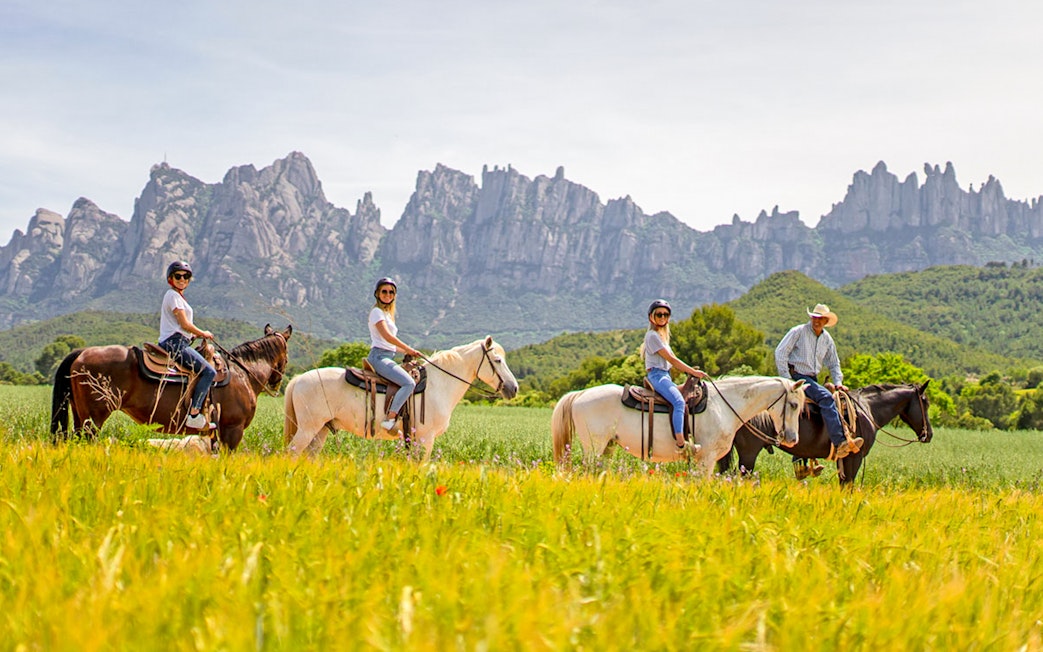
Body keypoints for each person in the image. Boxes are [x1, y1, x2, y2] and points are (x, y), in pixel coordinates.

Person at [775, 303, 864, 460]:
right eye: (815, 317)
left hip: (812, 379)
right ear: (811, 317)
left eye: (820, 318)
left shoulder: (827, 339)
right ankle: (840, 442)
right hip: (797, 377)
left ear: (825, 321)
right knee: (826, 398)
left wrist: (838, 382)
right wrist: (787, 380)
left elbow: (834, 363)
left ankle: (802, 459)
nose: (817, 321)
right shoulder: (798, 332)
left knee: (818, 407)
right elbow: (780, 353)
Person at [642, 300, 709, 454]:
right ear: (651, 317)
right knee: (678, 402)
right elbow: (672, 360)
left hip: (665, 375)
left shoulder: (662, 338)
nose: (662, 317)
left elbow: (673, 360)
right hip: (657, 376)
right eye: (659, 314)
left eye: (666, 314)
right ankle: (681, 443)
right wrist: (693, 372)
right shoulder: (652, 336)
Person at [158, 261, 216, 430]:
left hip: (180, 341)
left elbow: (184, 327)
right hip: (175, 344)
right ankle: (194, 414)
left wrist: (196, 334)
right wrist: (203, 333)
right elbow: (183, 324)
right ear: (170, 278)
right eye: (178, 276)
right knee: (208, 371)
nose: (182, 279)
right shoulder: (172, 296)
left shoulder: (178, 297)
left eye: (186, 276)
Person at [367, 277, 422, 431]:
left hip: (387, 355)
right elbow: (388, 337)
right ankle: (390, 420)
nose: (388, 294)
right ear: (377, 293)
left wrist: (409, 352)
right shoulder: (376, 312)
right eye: (384, 291)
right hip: (379, 357)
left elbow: (390, 345)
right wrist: (408, 348)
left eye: (391, 292)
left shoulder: (387, 314)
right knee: (409, 383)